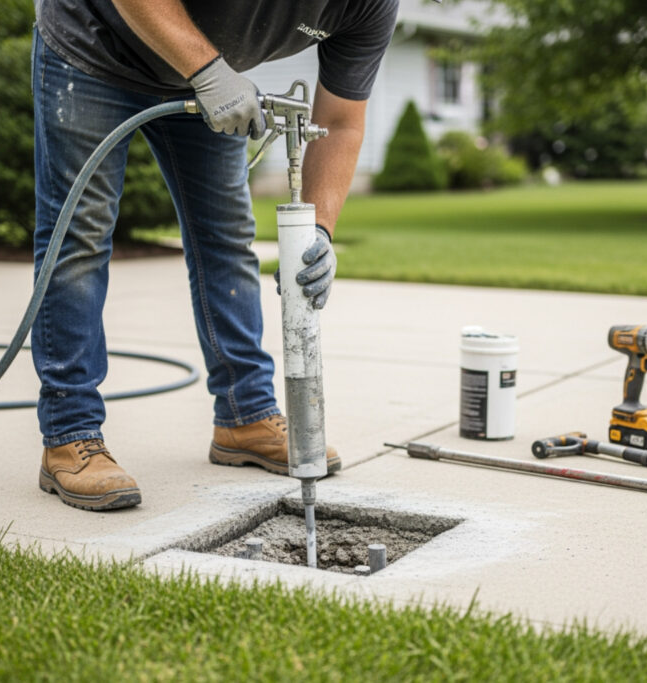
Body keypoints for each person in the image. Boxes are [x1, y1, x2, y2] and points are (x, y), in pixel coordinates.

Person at [31, 0, 404, 511]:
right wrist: (207, 71)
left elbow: (340, 123)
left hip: (207, 69)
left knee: (227, 239)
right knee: (79, 239)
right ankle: (70, 433)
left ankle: (244, 415)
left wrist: (319, 231)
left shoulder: (371, 7)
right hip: (95, 46)